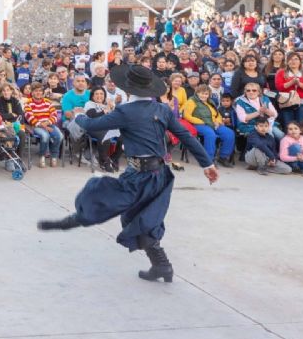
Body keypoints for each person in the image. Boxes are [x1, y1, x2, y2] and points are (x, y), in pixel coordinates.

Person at [37, 65, 218, 283]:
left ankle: (73, 221)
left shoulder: (126, 112)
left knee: (107, 200)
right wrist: (207, 164)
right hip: (159, 175)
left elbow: (93, 123)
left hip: (140, 177)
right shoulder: (161, 109)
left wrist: (80, 115)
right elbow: (187, 137)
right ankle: (162, 266)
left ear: (128, 88)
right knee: (142, 219)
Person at [182, 84, 235, 167]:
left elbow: (217, 114)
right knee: (210, 134)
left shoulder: (210, 101)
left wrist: (218, 121)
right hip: (199, 124)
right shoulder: (191, 101)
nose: (204, 95)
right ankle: (208, 159)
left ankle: (223, 157)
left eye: (206, 94)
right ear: (197, 93)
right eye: (202, 93)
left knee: (229, 133)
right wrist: (200, 121)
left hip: (213, 123)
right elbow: (186, 115)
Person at [24, 83, 63, 168]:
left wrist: (47, 123)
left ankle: (54, 156)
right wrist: (44, 126)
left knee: (59, 136)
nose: (38, 93)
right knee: (45, 136)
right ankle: (42, 156)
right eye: (36, 91)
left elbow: (54, 115)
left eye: (40, 91)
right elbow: (29, 118)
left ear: (43, 92)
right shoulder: (28, 103)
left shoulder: (48, 102)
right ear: (32, 92)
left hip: (49, 124)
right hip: (36, 126)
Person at [275, 52, 303, 127]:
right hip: (287, 103)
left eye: (296, 59)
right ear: (287, 61)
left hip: (302, 103)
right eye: (291, 59)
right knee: (288, 125)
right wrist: (291, 82)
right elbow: (279, 87)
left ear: (300, 61)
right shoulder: (281, 73)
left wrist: (300, 85)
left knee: (300, 125)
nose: (293, 61)